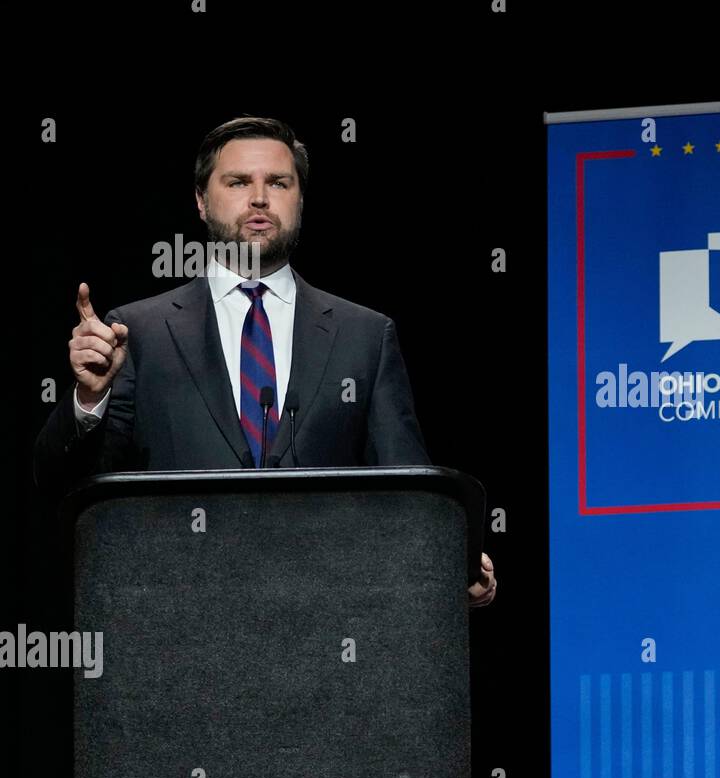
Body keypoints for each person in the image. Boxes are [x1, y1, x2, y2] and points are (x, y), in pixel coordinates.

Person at [34, 116, 496, 606]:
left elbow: (410, 496)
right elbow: (64, 489)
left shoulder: (365, 335)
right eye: (238, 182)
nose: (259, 198)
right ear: (200, 199)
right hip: (176, 631)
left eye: (278, 182)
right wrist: (90, 397)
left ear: (299, 198)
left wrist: (449, 560)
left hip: (332, 632)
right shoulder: (138, 332)